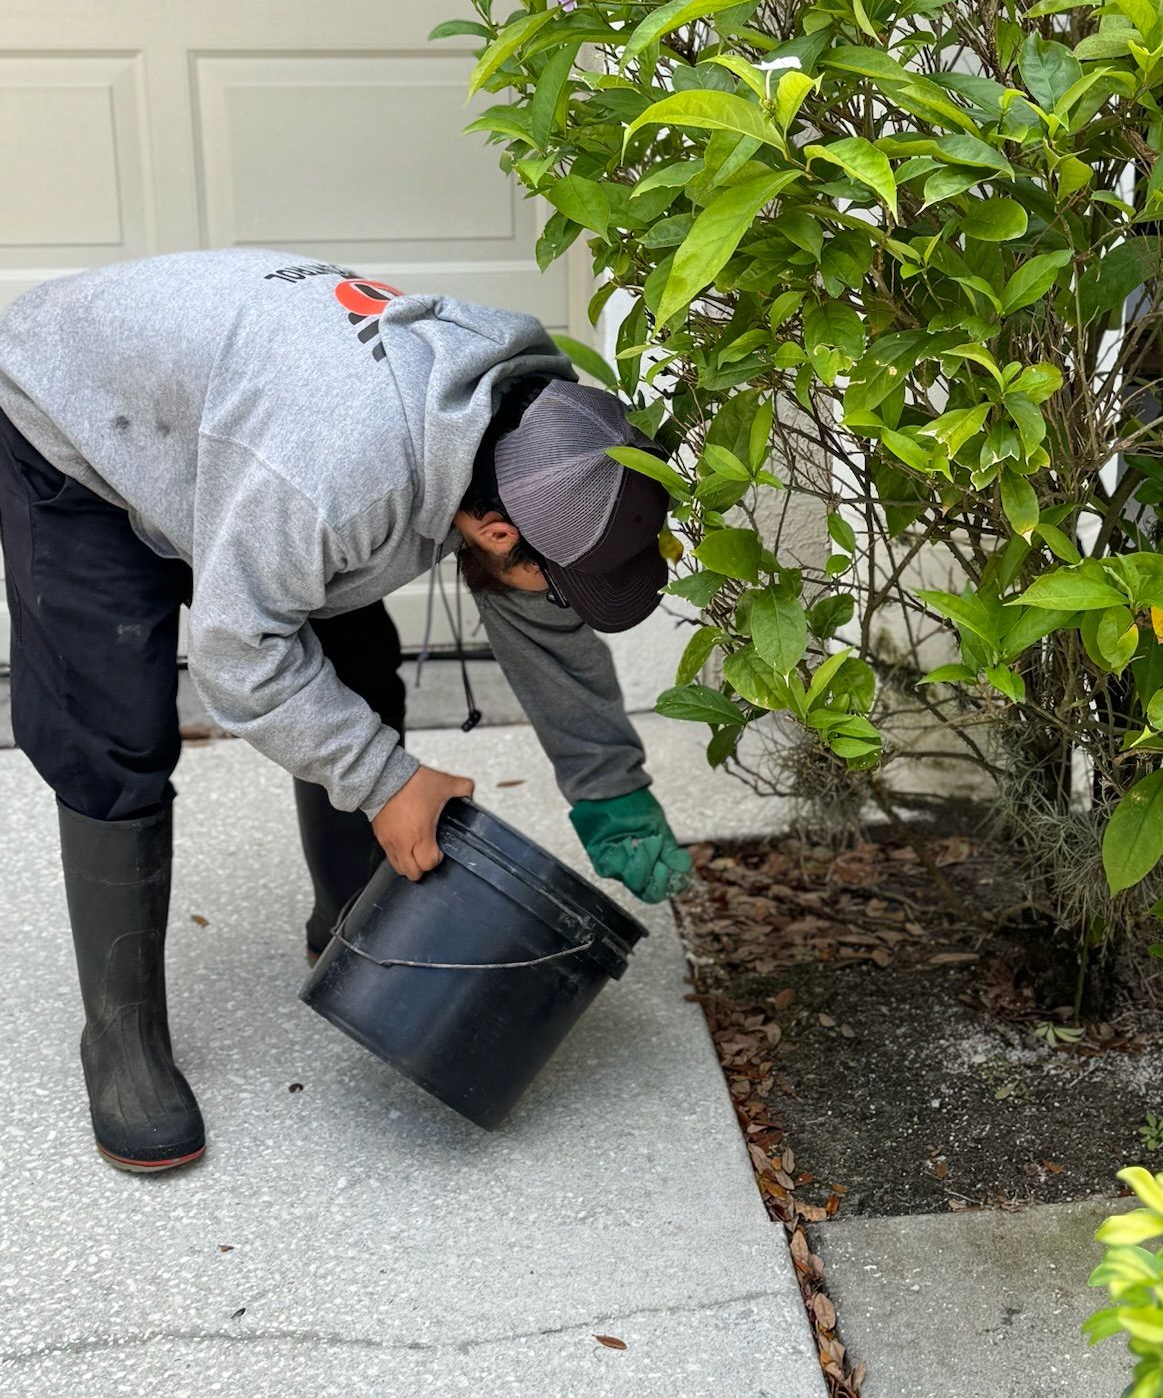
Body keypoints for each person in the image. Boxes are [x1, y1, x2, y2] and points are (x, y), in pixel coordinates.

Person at [0, 250, 693, 1173]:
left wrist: (608, 783)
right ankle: (121, 1036)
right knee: (110, 728)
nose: (560, 599)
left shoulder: (545, 427)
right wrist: (384, 781)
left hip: (239, 425)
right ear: (494, 528)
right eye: (558, 578)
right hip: (76, 416)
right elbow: (239, 658)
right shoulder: (337, 484)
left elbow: (536, 605)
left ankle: (350, 925)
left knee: (354, 672)